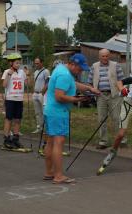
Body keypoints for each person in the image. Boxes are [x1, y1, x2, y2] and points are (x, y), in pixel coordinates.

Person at [43, 53, 100, 183]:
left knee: (50, 142)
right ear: (73, 64)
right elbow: (59, 96)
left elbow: (73, 84)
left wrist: (90, 88)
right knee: (58, 142)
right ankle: (58, 176)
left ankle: (49, 172)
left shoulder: (61, 69)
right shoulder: (64, 74)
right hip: (58, 112)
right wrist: (76, 99)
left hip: (50, 111)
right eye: (79, 68)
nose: (80, 71)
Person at [87, 49, 126, 149]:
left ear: (109, 56)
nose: (105, 58)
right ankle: (103, 141)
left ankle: (120, 140)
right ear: (99, 57)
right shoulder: (94, 66)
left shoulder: (115, 65)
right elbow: (89, 82)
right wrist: (91, 91)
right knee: (101, 119)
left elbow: (121, 80)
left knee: (117, 118)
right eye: (103, 56)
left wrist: (122, 90)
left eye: (106, 56)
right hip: (100, 95)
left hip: (114, 95)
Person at [1, 53, 28, 149]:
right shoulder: (7, 71)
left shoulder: (22, 72)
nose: (18, 64)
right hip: (10, 98)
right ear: (11, 63)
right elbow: (4, 85)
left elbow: (27, 84)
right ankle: (6, 139)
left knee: (18, 119)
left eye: (19, 63)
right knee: (9, 119)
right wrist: (9, 74)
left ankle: (15, 139)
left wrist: (27, 74)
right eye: (16, 63)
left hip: (19, 99)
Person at [32, 57, 50, 133]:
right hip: (35, 93)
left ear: (41, 63)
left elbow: (48, 82)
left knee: (44, 112)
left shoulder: (46, 71)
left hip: (42, 94)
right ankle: (39, 127)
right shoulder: (35, 72)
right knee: (37, 112)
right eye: (35, 63)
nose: (36, 65)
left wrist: (43, 92)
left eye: (37, 63)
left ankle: (46, 128)